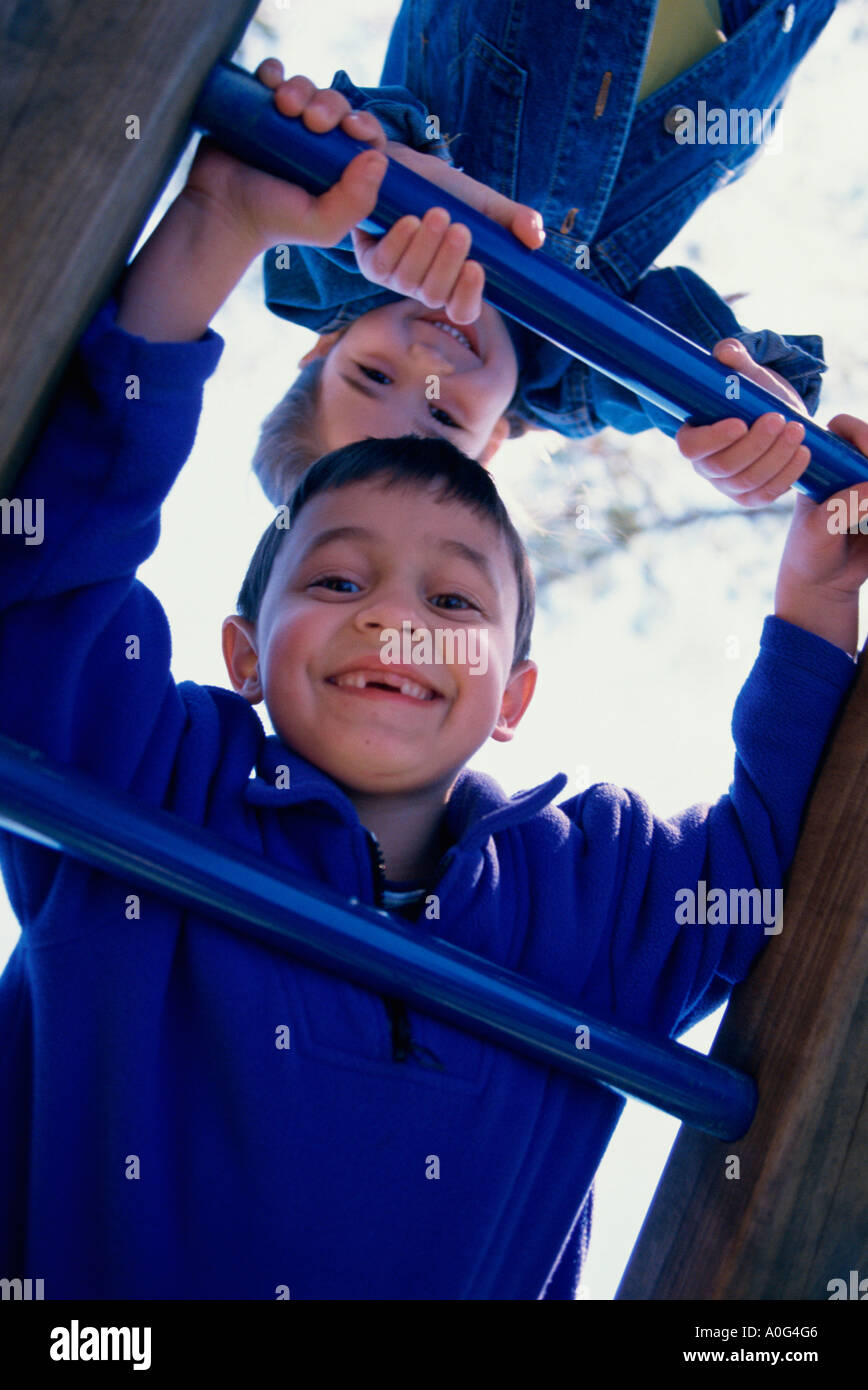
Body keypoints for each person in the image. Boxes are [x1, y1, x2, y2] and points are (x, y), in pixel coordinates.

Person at [1, 75, 865, 1302]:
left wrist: (817, 606)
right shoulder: (150, 781)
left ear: (511, 696)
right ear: (243, 654)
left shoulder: (590, 891)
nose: (395, 617)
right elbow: (53, 579)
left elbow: (764, 871)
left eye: (453, 602)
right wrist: (212, 228)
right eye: (339, 577)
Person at [253, 0, 837, 501]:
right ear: (491, 442)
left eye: (374, 375)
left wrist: (381, 178)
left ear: (325, 347)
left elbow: (315, 196)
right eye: (443, 417)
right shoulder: (569, 378)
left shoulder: (345, 256)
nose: (428, 364)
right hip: (757, 31)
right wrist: (736, 415)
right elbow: (664, 353)